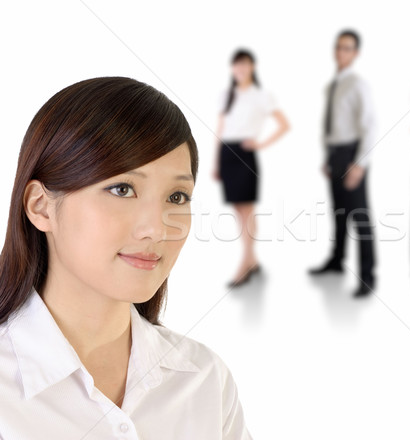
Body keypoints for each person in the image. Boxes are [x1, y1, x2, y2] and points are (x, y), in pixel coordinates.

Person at [0, 77, 252, 439]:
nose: (156, 228)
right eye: (122, 189)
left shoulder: (206, 381)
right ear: (41, 207)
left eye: (177, 197)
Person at [309, 29, 377, 298]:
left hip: (352, 153)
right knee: (338, 213)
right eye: (339, 47)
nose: (341, 52)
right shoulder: (333, 84)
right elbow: (334, 124)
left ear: (356, 53)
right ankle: (337, 261)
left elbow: (370, 126)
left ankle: (368, 276)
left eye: (347, 48)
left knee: (360, 217)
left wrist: (359, 164)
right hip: (336, 153)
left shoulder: (358, 84)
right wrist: (328, 157)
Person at [213, 49, 290, 288]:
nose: (240, 69)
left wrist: (260, 143)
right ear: (232, 68)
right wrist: (216, 162)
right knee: (238, 210)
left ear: (252, 67)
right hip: (227, 153)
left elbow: (284, 125)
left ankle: (244, 264)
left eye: (244, 65)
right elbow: (221, 128)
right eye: (236, 65)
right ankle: (253, 261)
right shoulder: (227, 94)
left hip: (246, 154)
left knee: (247, 210)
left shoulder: (262, 95)